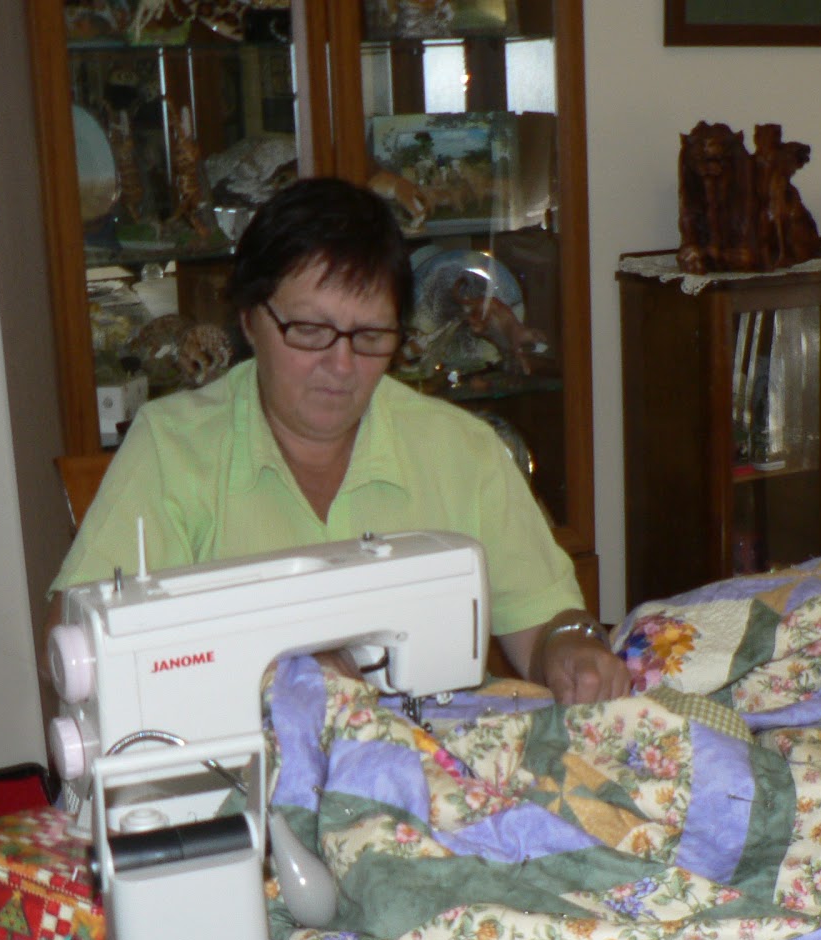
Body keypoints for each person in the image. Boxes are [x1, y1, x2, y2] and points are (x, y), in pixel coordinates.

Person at [47, 176, 629, 704]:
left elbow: (546, 617)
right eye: (310, 330)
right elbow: (74, 645)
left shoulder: (461, 450)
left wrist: (570, 648)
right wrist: (272, 670)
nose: (342, 365)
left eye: (370, 335)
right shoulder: (174, 448)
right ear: (249, 319)